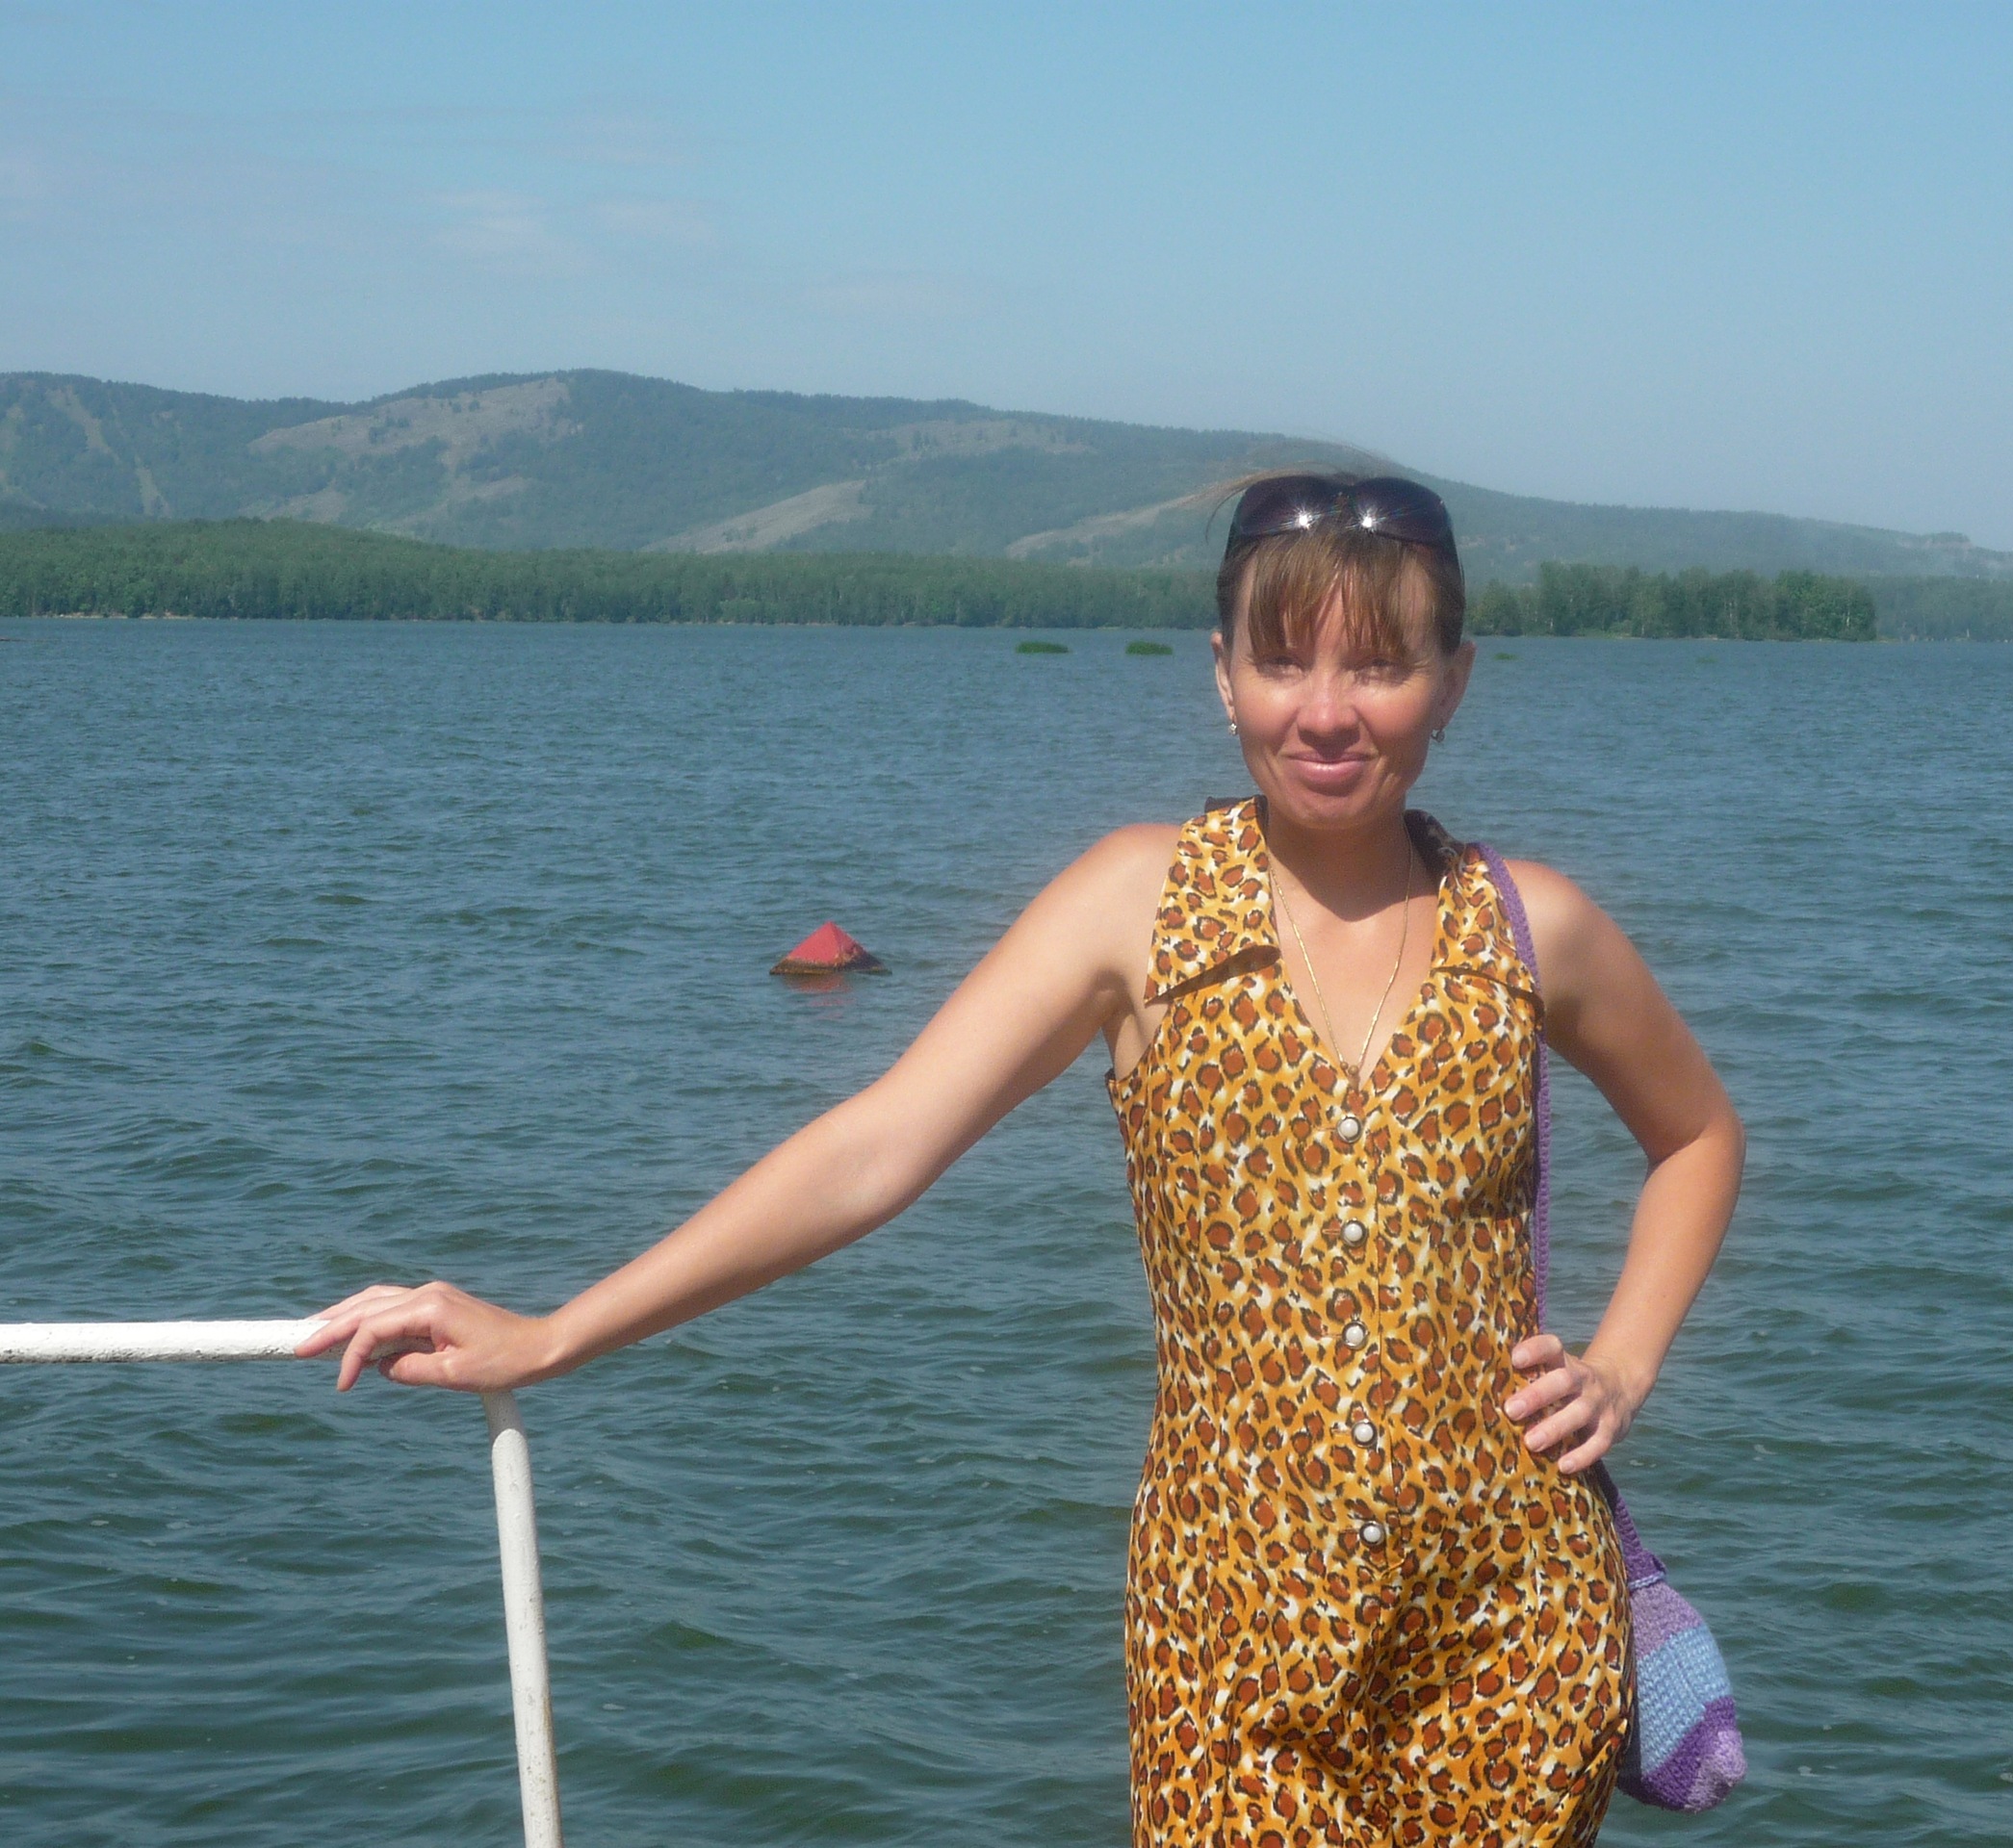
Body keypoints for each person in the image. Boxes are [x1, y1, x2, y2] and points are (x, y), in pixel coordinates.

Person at [302, 472, 1743, 1846]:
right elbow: (875, 1147)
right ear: (1221, 674)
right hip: (1238, 1642)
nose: (1324, 711)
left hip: (1508, 1633)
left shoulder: (1528, 928)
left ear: (1454, 681)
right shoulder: (1141, 905)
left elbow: (1696, 1137)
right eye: (1280, 661)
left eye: (1378, 666)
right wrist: (556, 1332)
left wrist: (1621, 1364)